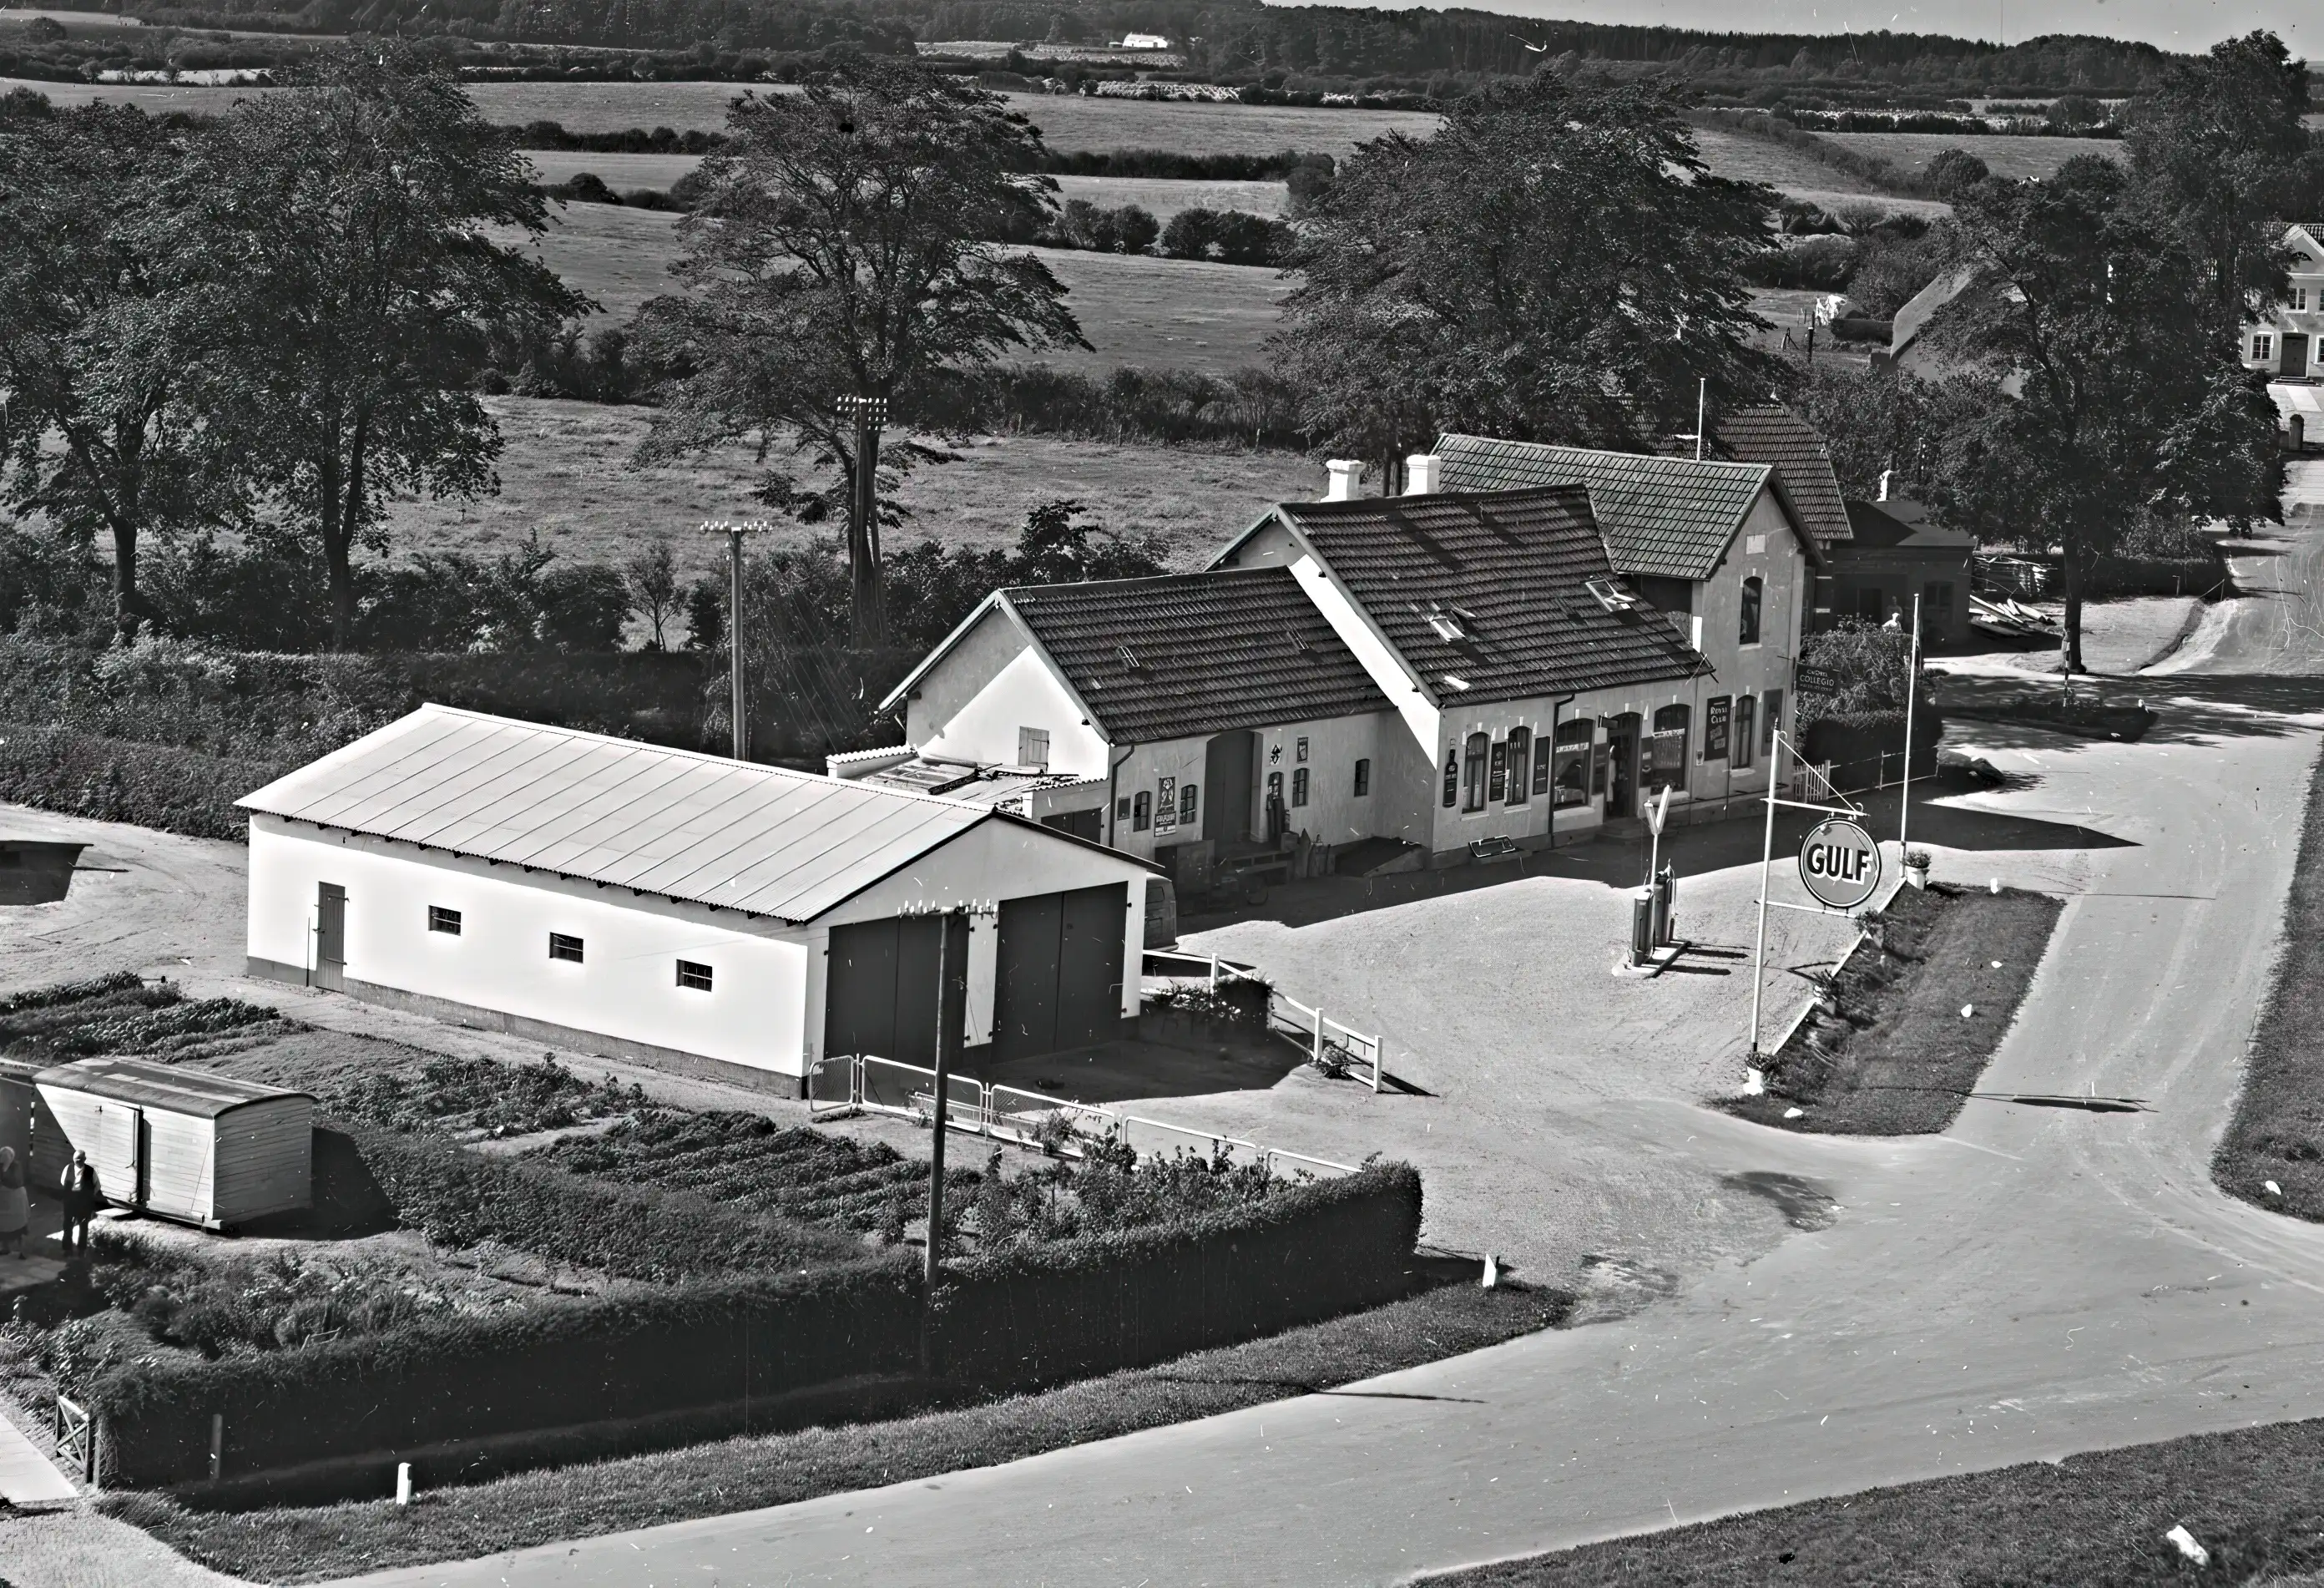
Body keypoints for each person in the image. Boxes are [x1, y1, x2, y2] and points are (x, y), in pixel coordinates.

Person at [59, 1149, 99, 1260]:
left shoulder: (91, 1171)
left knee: (83, 1226)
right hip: (70, 1202)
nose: (78, 1161)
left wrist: (88, 1196)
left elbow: (97, 1186)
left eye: (81, 1159)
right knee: (68, 1225)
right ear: (73, 1160)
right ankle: (67, 1250)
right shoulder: (68, 1168)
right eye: (76, 1160)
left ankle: (81, 1250)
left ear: (84, 1159)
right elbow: (63, 1182)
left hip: (84, 1204)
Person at [0, 1147, 26, 1260]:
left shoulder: (16, 1166)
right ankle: (5, 1248)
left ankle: (22, 1251)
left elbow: (16, 1181)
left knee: (19, 1225)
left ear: (11, 1156)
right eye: (3, 1156)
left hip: (16, 1199)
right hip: (3, 1198)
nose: (5, 1158)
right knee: (3, 1223)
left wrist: (5, 1171)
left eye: (7, 1156)